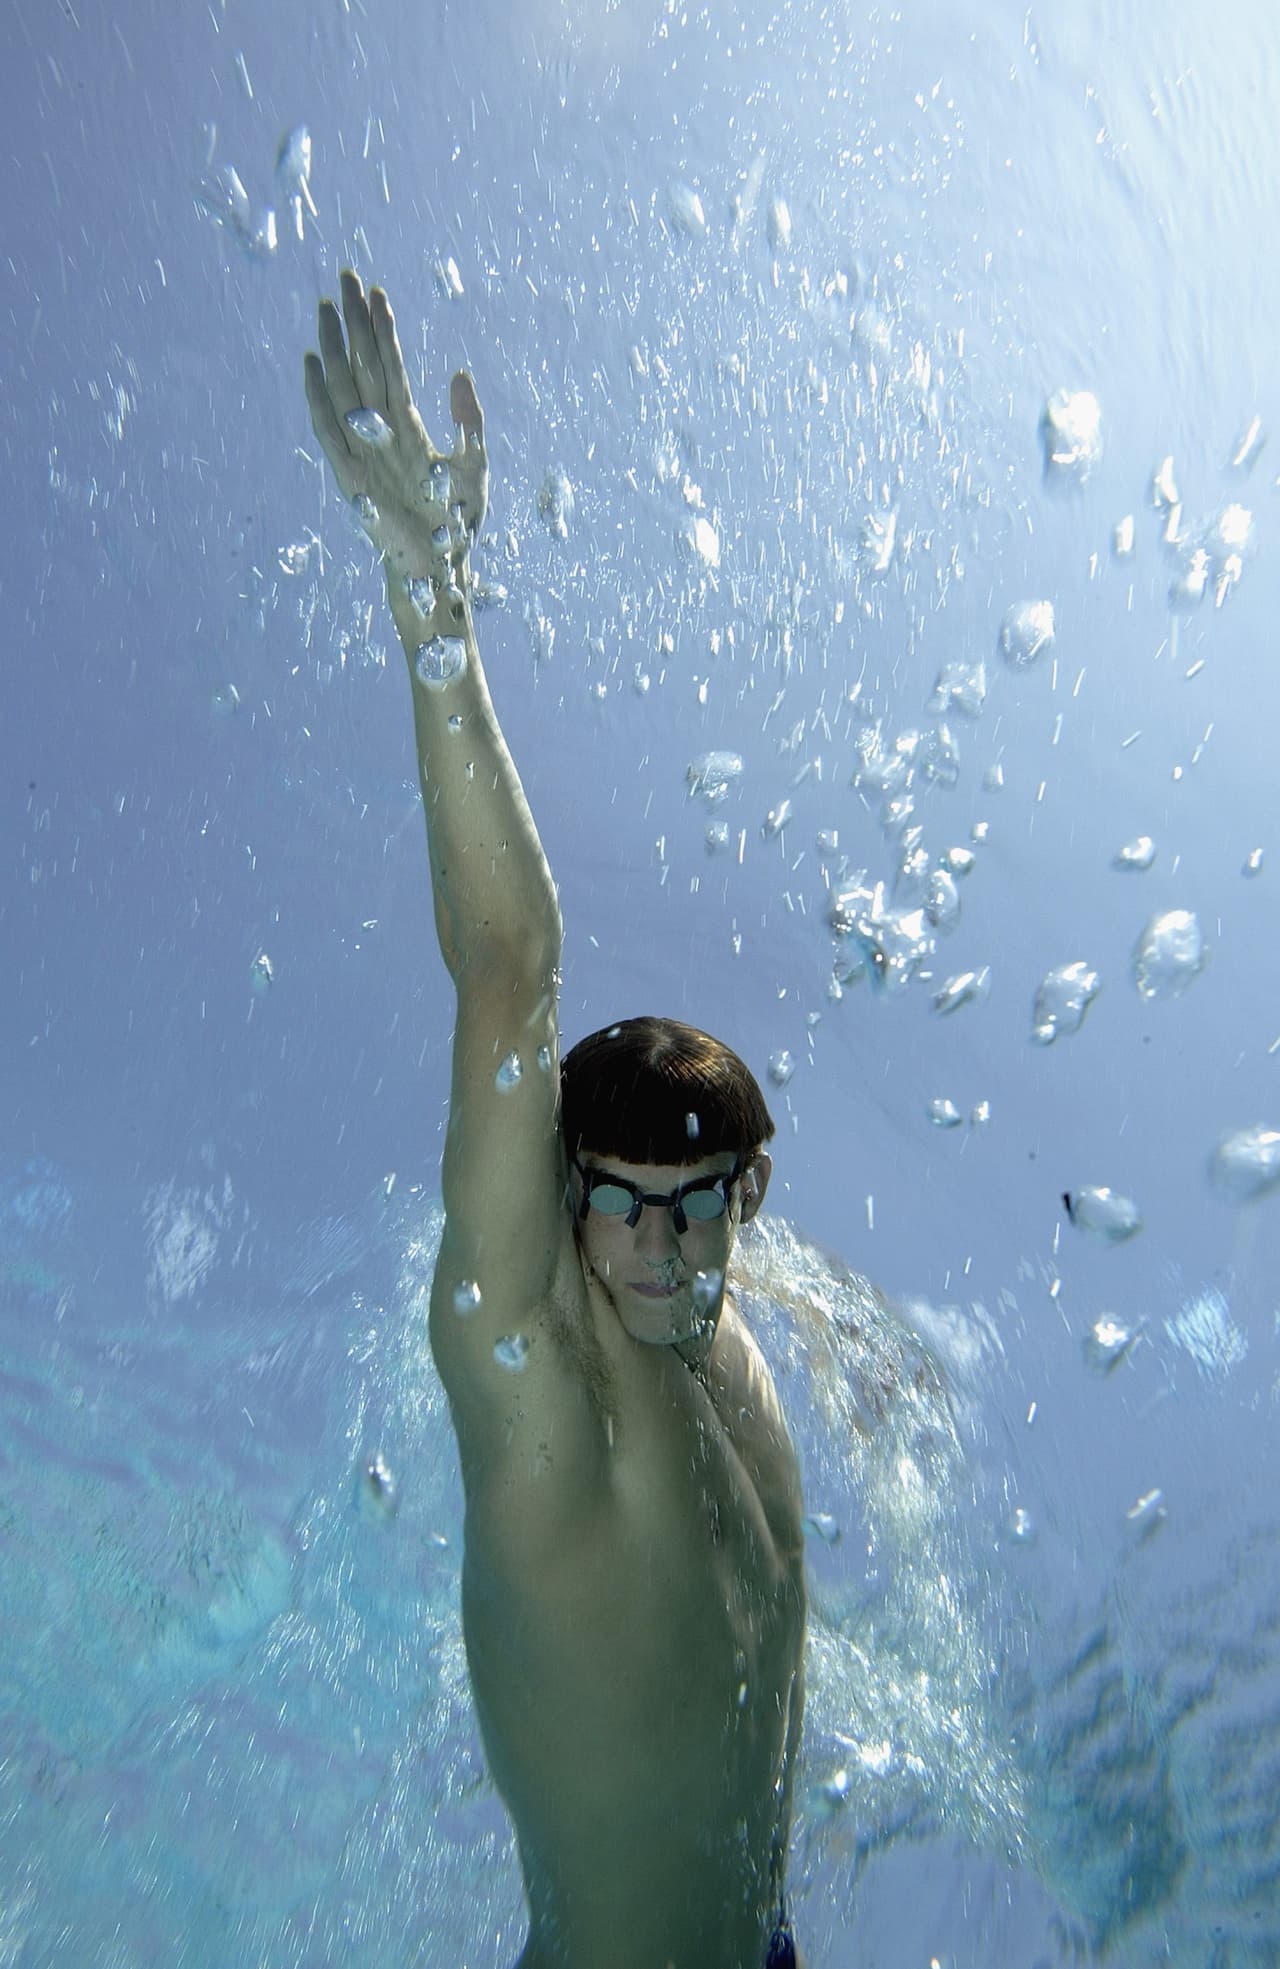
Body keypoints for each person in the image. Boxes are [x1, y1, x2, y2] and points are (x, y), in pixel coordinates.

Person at [305, 271, 808, 1969]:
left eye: (704, 1201)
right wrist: (431, 597)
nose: (663, 1247)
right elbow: (510, 968)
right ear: (560, 1194)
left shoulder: (721, 1333)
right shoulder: (531, 1376)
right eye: (620, 1202)